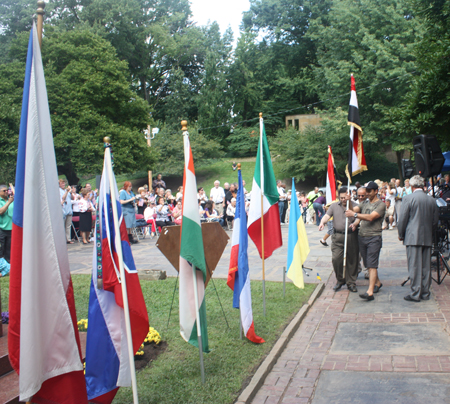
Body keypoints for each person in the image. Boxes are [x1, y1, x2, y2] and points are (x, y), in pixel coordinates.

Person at [397, 175, 439, 302]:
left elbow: (402, 219)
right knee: (426, 265)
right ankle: (425, 292)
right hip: (426, 235)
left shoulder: (408, 198)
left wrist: (401, 233)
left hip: (412, 236)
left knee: (414, 265)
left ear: (413, 185)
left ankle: (415, 292)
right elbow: (435, 221)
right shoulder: (431, 199)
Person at [345, 181, 386, 301]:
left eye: (369, 191)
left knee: (372, 265)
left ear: (376, 191)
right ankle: (377, 283)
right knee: (368, 264)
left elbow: (371, 217)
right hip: (362, 236)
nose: (367, 193)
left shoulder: (381, 205)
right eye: (366, 191)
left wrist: (355, 215)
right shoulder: (365, 203)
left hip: (374, 237)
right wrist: (348, 201)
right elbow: (354, 209)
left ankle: (370, 292)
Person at [319, 187, 359, 292]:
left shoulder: (355, 205)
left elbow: (358, 217)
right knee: (336, 259)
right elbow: (327, 216)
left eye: (345, 197)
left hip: (351, 236)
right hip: (337, 237)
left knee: (352, 260)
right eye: (341, 198)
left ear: (349, 195)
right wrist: (322, 222)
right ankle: (340, 280)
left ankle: (351, 282)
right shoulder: (334, 206)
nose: (343, 200)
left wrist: (355, 224)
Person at [0, 184, 14, 263]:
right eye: (4, 191)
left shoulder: (11, 199)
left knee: (9, 248)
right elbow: (1, 211)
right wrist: (8, 202)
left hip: (11, 228)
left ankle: (8, 265)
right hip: (2, 229)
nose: (6, 192)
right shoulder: (9, 201)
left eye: (7, 190)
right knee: (2, 248)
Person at [59, 179, 74, 244]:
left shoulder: (66, 191)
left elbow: (72, 198)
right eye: (62, 183)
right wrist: (67, 192)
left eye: (64, 183)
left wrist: (71, 192)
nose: (63, 185)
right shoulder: (59, 191)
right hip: (63, 210)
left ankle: (68, 238)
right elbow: (63, 198)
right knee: (62, 225)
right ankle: (62, 239)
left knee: (68, 225)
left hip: (69, 210)